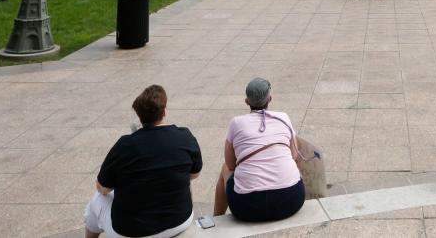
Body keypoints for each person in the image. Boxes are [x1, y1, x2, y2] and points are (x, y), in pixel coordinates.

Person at [84, 85, 202, 238]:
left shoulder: (125, 145)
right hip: (180, 220)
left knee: (97, 201)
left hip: (131, 231)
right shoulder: (185, 136)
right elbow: (194, 174)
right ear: (164, 111)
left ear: (140, 117)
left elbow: (103, 188)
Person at [213, 78, 306, 223]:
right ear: (270, 99)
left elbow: (230, 164)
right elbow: (294, 155)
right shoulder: (283, 117)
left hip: (247, 207)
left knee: (225, 169)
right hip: (291, 200)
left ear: (246, 101)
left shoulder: (236, 123)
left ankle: (216, 220)